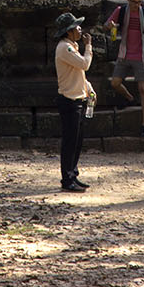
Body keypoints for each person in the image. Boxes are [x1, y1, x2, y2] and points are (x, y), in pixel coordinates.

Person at [102, 0, 144, 136]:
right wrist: (111, 26)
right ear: (128, 0)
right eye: (134, 2)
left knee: (143, 88)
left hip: (141, 54)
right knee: (115, 83)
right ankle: (129, 97)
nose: (136, 5)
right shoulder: (121, 11)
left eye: (139, 2)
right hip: (125, 53)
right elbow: (106, 26)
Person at [51, 11, 94, 191]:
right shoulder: (65, 48)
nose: (80, 29)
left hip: (78, 97)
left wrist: (89, 89)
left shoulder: (71, 46)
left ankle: (73, 174)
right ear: (68, 31)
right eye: (77, 27)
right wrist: (89, 47)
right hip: (69, 100)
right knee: (70, 141)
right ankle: (67, 179)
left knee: (77, 140)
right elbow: (84, 64)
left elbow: (78, 73)